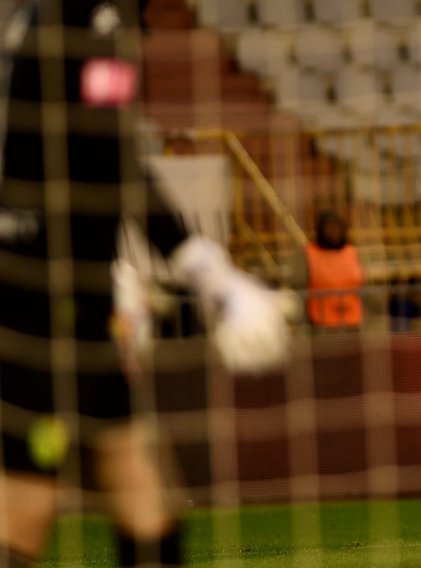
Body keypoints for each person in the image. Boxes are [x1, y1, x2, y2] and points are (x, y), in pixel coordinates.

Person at [0, 1, 292, 566]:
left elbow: (78, 154)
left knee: (142, 489)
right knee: (26, 510)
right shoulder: (96, 17)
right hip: (44, 307)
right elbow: (112, 153)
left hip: (56, 294)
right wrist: (206, 272)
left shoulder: (44, 15)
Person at [294, 210, 364, 330]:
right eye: (330, 228)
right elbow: (297, 288)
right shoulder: (307, 254)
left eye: (337, 228)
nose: (334, 232)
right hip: (320, 324)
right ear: (320, 230)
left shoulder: (352, 251)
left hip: (353, 322)